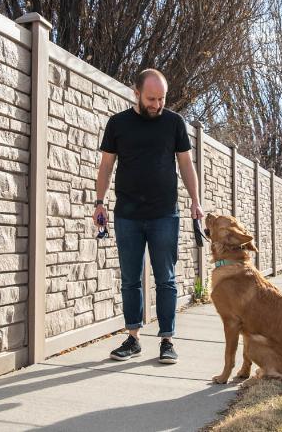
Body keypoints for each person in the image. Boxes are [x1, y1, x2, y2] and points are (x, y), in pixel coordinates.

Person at [94, 68, 203, 364]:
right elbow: (106, 166)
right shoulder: (117, 124)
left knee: (166, 279)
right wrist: (99, 202)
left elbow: (185, 165)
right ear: (136, 93)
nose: (157, 104)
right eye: (151, 98)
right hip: (127, 214)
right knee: (130, 280)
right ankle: (133, 339)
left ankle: (167, 340)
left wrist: (196, 200)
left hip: (164, 214)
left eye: (162, 99)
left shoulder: (174, 123)